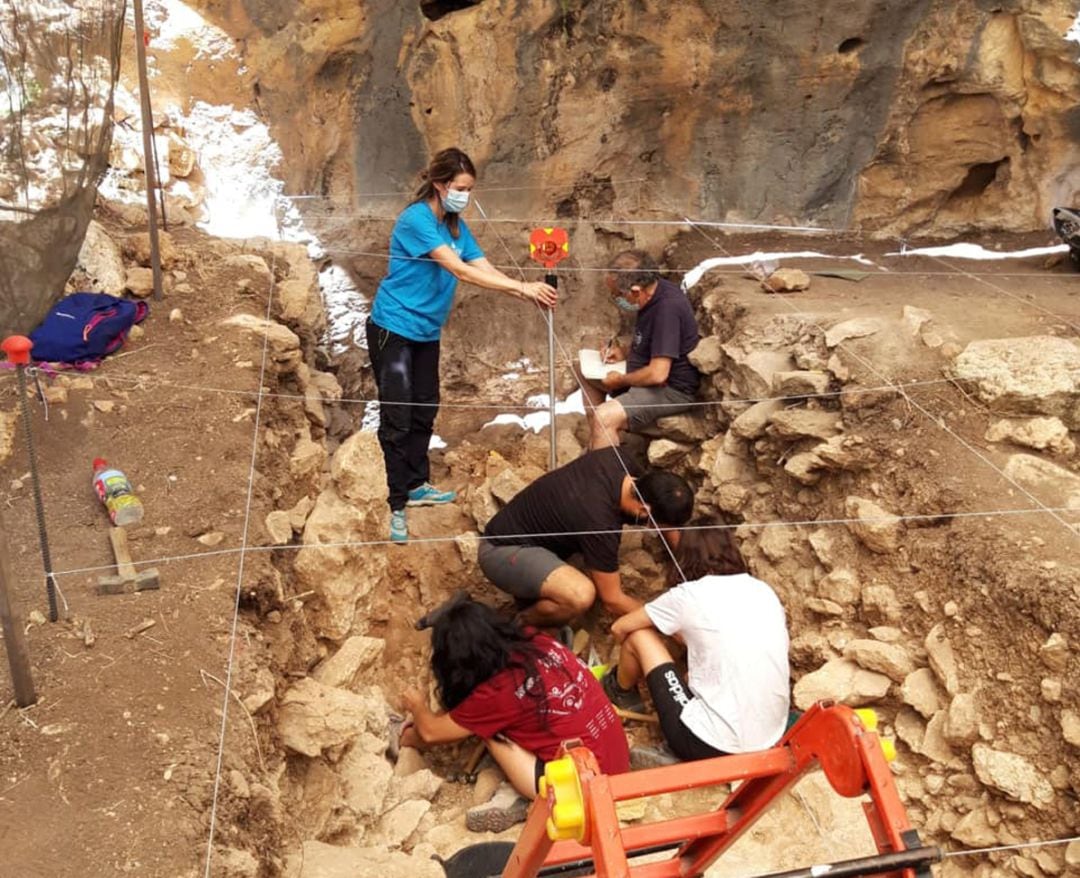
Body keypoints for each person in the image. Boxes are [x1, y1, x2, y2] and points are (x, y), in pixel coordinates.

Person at [366, 147, 558, 543]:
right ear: (439, 184)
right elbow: (457, 269)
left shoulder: (454, 225)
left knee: (424, 409)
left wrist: (525, 292)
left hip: (425, 332)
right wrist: (521, 287)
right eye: (460, 188)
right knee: (398, 415)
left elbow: (480, 264)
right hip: (394, 328)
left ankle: (417, 484)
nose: (465, 196)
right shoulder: (416, 219)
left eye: (469, 189)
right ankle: (395, 501)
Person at [396, 597, 629, 832]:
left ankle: (520, 796)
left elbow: (431, 733)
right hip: (616, 760)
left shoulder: (496, 692)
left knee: (491, 732)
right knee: (512, 719)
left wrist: (417, 707)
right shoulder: (536, 640)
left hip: (581, 788)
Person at [604, 526, 790, 765]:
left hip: (708, 743)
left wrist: (641, 658)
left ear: (685, 557)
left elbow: (620, 627)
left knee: (639, 635)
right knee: (693, 674)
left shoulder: (687, 596)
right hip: (770, 736)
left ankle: (621, 691)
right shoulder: (763, 590)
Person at [479, 448, 694, 625]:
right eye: (655, 525)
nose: (656, 531)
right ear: (644, 511)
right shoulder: (600, 523)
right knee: (580, 595)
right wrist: (668, 622)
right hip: (502, 550)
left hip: (528, 535)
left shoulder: (621, 461)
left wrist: (689, 570)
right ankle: (518, 622)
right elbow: (612, 599)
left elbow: (669, 526)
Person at [579, 249, 701, 450]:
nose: (616, 299)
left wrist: (621, 380)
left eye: (617, 295)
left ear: (635, 291)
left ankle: (607, 476)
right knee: (582, 371)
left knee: (604, 417)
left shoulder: (667, 310)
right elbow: (653, 343)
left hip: (670, 390)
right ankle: (603, 442)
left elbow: (658, 374)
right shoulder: (653, 294)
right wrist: (624, 352)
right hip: (644, 376)